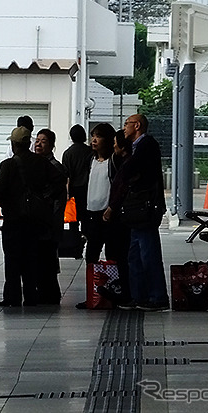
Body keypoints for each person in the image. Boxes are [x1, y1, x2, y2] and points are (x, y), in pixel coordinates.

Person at [0, 126, 65, 307]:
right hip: (35, 220)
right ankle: (31, 296)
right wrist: (46, 197)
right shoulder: (41, 162)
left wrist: (4, 200)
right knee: (31, 258)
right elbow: (60, 180)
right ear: (28, 143)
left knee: (13, 259)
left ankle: (12, 297)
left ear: (14, 144)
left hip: (14, 219)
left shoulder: (7, 165)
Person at [104, 114, 169, 311]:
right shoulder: (137, 147)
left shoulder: (146, 145)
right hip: (136, 211)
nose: (124, 128)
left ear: (137, 125)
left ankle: (157, 297)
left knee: (149, 254)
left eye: (126, 124)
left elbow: (129, 170)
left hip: (145, 209)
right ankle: (138, 295)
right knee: (134, 256)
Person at [75, 123, 130, 309]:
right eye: (92, 136)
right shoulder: (89, 160)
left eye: (98, 136)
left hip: (110, 215)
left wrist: (112, 208)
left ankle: (115, 292)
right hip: (92, 214)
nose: (94, 140)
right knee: (91, 254)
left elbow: (120, 186)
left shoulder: (114, 162)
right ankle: (94, 294)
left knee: (114, 254)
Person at [32, 128, 68, 304]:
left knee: (47, 259)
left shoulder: (55, 167)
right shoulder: (36, 164)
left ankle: (50, 294)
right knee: (41, 258)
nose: (38, 144)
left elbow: (54, 198)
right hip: (40, 222)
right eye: (37, 140)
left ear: (52, 145)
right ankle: (45, 292)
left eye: (43, 141)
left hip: (49, 222)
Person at [61, 124, 94, 225]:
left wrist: (66, 193)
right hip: (88, 189)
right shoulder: (90, 151)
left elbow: (66, 175)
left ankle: (74, 238)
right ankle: (86, 236)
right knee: (86, 217)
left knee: (73, 217)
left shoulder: (68, 153)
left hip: (74, 189)